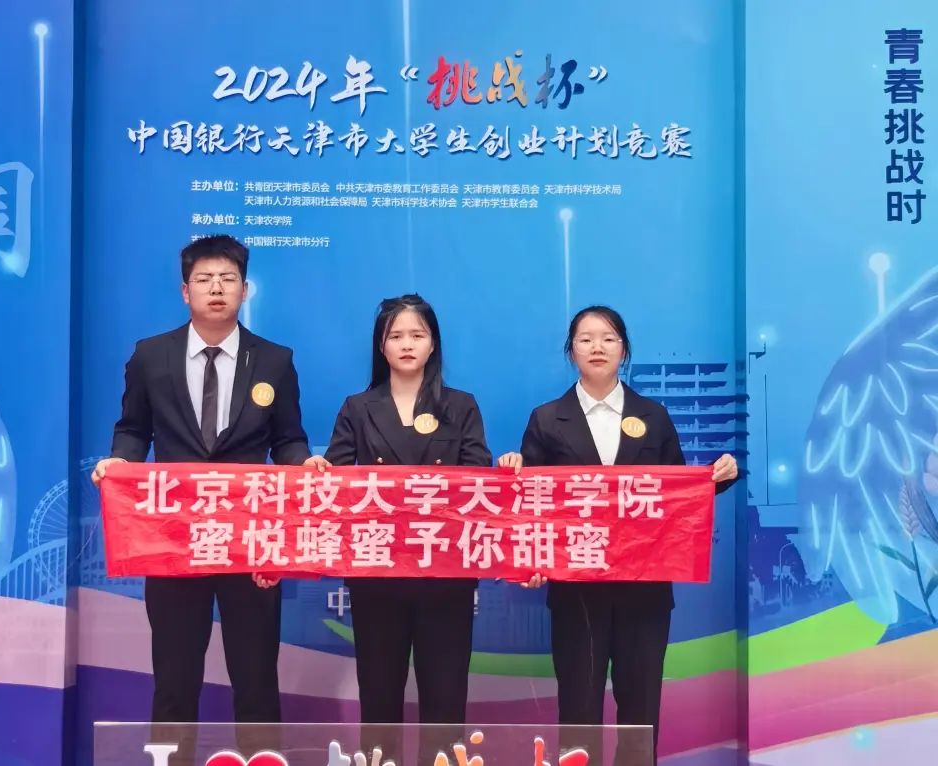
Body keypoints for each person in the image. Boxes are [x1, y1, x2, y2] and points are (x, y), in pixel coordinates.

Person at [91, 234, 326, 729]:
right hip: (175, 538)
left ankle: (260, 760)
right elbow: (133, 430)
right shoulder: (151, 356)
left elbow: (287, 439)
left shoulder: (274, 360)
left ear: (245, 290)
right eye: (204, 279)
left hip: (250, 540)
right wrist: (119, 462)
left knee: (256, 679)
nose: (216, 288)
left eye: (227, 279)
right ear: (185, 292)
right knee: (174, 682)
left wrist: (302, 463)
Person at [498, 305, 738, 765]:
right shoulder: (547, 419)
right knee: (578, 710)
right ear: (571, 351)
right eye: (586, 339)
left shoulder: (653, 415)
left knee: (640, 712)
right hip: (577, 594)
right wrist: (527, 553)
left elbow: (674, 494)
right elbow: (530, 505)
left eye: (608, 338)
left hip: (644, 592)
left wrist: (713, 479)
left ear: (623, 349)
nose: (597, 347)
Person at [322, 294, 491, 758]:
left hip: (445, 577)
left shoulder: (461, 406)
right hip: (377, 576)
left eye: (417, 334)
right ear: (381, 346)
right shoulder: (358, 408)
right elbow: (336, 484)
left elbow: (479, 482)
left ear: (433, 343)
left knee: (445, 702)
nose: (407, 344)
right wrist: (321, 472)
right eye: (396, 336)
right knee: (379, 701)